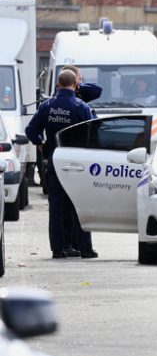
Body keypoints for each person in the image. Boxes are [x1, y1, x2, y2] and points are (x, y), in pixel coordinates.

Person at [25, 69, 99, 259]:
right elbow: (95, 131)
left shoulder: (47, 106)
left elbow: (31, 129)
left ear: (57, 84)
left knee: (56, 207)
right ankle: (85, 249)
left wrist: (40, 144)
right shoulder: (81, 106)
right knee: (79, 205)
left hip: (55, 160)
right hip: (77, 161)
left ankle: (58, 249)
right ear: (75, 85)